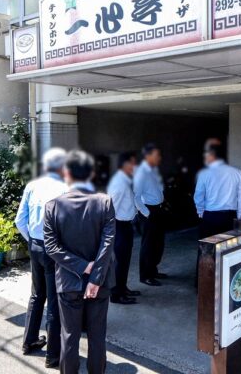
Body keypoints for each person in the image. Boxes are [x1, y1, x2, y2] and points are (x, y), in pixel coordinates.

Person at [44, 150, 116, 374]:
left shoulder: (52, 206)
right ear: (92, 173)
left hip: (68, 282)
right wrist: (94, 276)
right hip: (101, 282)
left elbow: (52, 248)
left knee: (69, 337)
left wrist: (81, 267)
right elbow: (107, 244)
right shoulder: (105, 202)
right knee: (97, 337)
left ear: (66, 173)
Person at [15, 148, 68, 369]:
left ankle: (29, 341)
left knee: (37, 295)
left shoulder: (32, 186)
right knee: (55, 300)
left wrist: (32, 241)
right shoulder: (65, 189)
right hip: (54, 249)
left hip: (35, 245)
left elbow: (20, 221)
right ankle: (53, 355)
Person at [106, 151, 142, 304]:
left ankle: (123, 287)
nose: (135, 166)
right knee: (119, 262)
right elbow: (110, 207)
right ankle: (116, 294)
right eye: (133, 163)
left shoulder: (125, 180)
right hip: (119, 226)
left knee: (125, 260)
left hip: (126, 225)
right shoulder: (119, 183)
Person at [194, 140, 241, 239]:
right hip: (230, 216)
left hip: (210, 217)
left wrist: (200, 211)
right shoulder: (237, 172)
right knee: (228, 250)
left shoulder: (204, 173)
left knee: (208, 250)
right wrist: (238, 215)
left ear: (212, 155)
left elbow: (198, 195)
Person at [134, 143, 167, 286]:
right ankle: (145, 275)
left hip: (158, 209)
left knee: (158, 243)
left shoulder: (154, 171)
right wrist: (147, 214)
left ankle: (153, 270)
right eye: (156, 155)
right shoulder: (141, 173)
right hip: (149, 211)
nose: (159, 157)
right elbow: (135, 197)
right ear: (148, 156)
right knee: (148, 244)